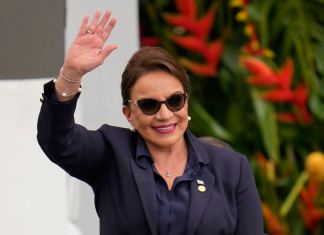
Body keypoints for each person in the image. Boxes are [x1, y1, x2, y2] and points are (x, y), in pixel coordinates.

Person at [37, 10, 264, 235]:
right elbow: (57, 140)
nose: (164, 114)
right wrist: (70, 75)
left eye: (175, 101)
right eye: (149, 105)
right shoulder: (111, 153)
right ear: (128, 113)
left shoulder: (232, 168)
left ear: (187, 103)